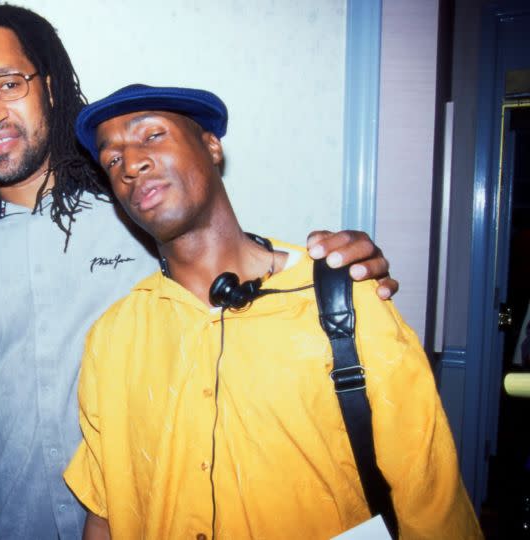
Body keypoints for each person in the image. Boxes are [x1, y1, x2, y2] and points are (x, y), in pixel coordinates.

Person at [0, 5, 400, 538]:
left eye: (8, 83)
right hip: (9, 522)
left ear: (51, 89)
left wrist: (335, 273)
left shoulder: (135, 204)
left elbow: (234, 268)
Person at [62, 84, 482, 539]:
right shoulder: (113, 337)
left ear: (211, 146)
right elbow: (104, 511)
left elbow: (431, 503)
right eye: (112, 160)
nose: (131, 164)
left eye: (153, 135)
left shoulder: (348, 302)